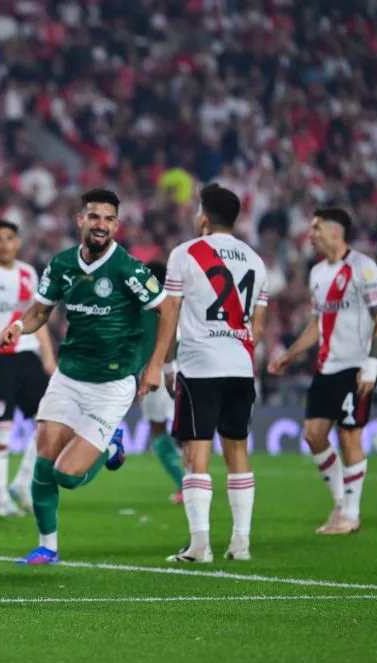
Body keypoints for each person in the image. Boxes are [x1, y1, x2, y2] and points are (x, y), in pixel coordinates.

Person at [0, 189, 166, 565]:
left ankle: (109, 446)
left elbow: (167, 308)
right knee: (43, 462)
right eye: (94, 217)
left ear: (116, 225)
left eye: (108, 219)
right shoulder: (61, 265)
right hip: (68, 378)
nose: (101, 225)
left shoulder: (129, 269)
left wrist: (155, 364)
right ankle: (48, 546)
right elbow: (40, 312)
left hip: (111, 386)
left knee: (68, 476)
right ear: (80, 220)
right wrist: (17, 327)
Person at [140, 183, 269, 563]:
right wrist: (239, 353)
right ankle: (241, 543)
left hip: (199, 367)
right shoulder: (255, 260)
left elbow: (170, 314)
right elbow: (257, 329)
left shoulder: (184, 254)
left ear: (205, 216)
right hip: (240, 366)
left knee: (197, 453)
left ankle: (200, 545)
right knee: (237, 451)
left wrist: (159, 365)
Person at [267, 207, 377, 535]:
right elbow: (319, 322)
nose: (310, 233)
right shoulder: (318, 272)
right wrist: (290, 354)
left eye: (316, 227)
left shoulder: (363, 268)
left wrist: (372, 364)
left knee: (350, 436)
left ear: (335, 231)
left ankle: (351, 514)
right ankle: (341, 502)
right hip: (326, 366)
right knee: (314, 434)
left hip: (356, 366)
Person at [0, 220, 56, 517]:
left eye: (9, 238)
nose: (4, 243)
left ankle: (22, 483)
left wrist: (48, 357)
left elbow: (37, 317)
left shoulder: (28, 273)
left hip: (28, 356)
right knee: (0, 430)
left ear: (18, 242)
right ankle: (0, 500)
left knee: (48, 424)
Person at [139, 261, 185, 504]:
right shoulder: (174, 302)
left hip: (158, 371)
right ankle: (192, 480)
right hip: (178, 368)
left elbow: (159, 340)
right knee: (180, 428)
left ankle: (184, 482)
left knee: (158, 429)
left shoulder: (151, 306)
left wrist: (164, 369)